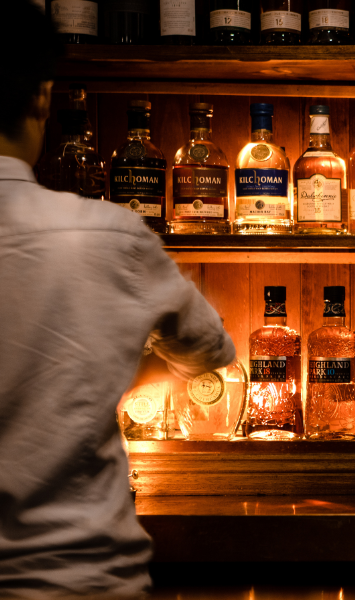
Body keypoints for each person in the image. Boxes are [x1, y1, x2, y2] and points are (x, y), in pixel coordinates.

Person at [0, 3, 236, 598]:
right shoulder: (108, 235)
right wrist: (117, 363)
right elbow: (209, 352)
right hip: (75, 577)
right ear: (41, 97)